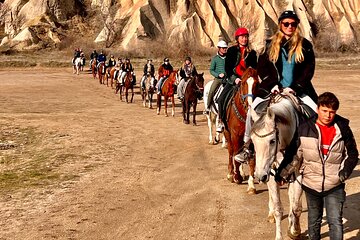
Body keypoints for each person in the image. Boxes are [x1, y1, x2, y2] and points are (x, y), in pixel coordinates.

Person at [236, 10, 319, 162]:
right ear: (280, 25)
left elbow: (309, 70)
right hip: (271, 89)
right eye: (286, 23)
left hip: (298, 89)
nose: (290, 26)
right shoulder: (270, 45)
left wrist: (295, 87)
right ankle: (248, 147)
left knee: (316, 112)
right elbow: (263, 67)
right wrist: (272, 84)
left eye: (293, 24)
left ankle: (316, 148)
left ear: (297, 26)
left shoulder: (305, 45)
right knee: (252, 111)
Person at [276, 92, 359, 240]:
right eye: (324, 111)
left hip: (334, 184)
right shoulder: (304, 127)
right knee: (314, 222)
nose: (328, 115)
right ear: (318, 109)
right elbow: (294, 153)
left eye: (332, 112)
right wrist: (282, 173)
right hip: (311, 184)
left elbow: (353, 154)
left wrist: (344, 172)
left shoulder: (343, 128)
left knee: (335, 222)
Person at [216, 27, 257, 133]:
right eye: (242, 37)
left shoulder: (252, 53)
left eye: (246, 37)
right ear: (237, 38)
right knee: (221, 99)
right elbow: (228, 68)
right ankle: (221, 121)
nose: (244, 39)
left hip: (247, 82)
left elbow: (254, 68)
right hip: (234, 81)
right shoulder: (231, 51)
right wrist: (235, 79)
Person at [205, 40, 228, 114]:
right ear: (219, 48)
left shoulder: (228, 58)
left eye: (225, 48)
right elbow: (211, 70)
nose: (225, 49)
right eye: (223, 48)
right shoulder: (215, 59)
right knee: (211, 91)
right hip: (218, 79)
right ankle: (207, 107)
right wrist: (218, 75)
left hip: (227, 79)